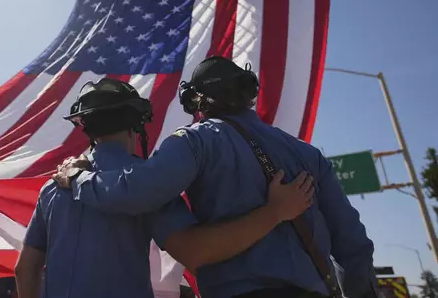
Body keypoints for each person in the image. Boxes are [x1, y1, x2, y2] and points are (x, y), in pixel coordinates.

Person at [54, 57, 379, 298]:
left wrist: (79, 178)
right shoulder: (307, 154)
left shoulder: (194, 141)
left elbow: (135, 191)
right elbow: (354, 245)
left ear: (196, 100)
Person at [16, 77, 316, 298]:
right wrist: (275, 212)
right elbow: (195, 252)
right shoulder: (148, 185)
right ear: (137, 125)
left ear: (86, 127)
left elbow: (25, 269)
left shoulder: (54, 188)